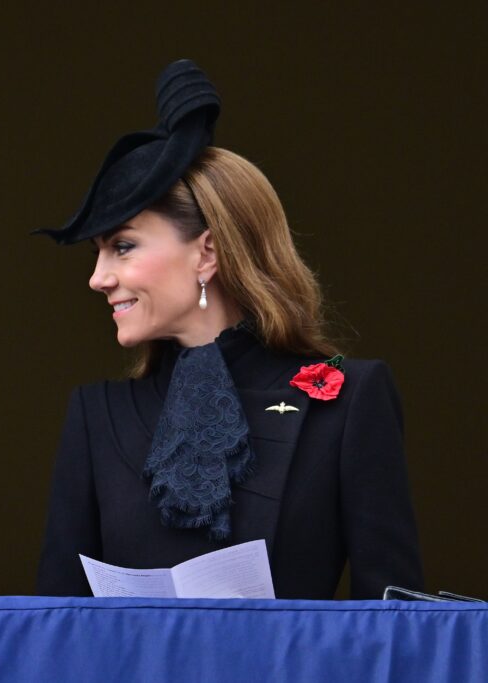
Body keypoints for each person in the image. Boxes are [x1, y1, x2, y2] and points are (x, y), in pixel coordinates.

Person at [35, 60, 423, 599]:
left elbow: (397, 624)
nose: (98, 278)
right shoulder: (95, 415)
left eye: (122, 246)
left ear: (207, 252)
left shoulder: (350, 400)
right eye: (98, 253)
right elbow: (55, 622)